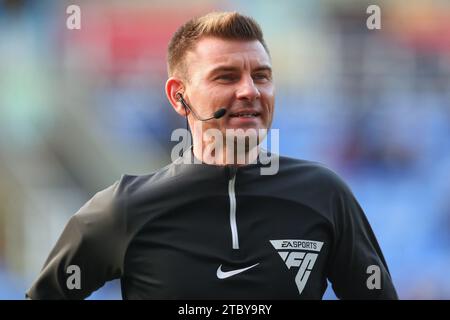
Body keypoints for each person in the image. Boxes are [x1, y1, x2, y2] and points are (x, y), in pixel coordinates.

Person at [26, 11, 398, 300]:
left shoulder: (325, 194)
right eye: (226, 77)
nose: (250, 90)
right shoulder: (124, 208)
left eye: (262, 76)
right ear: (178, 96)